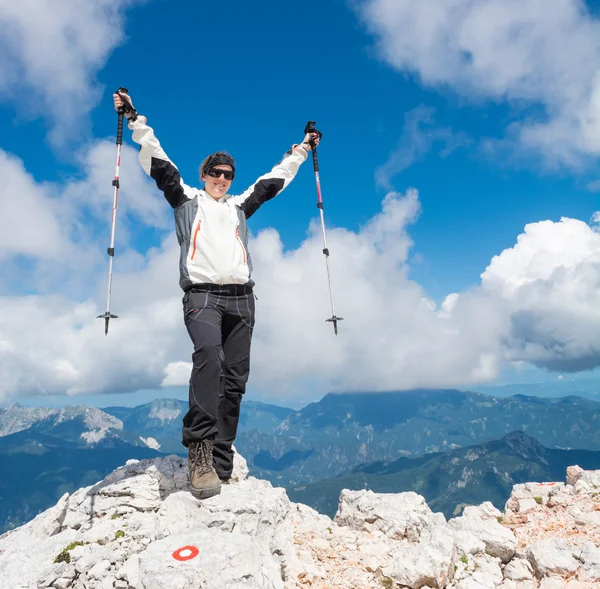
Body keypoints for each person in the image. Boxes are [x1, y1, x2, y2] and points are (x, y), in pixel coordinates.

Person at [113, 91, 319, 499]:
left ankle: (222, 457)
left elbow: (275, 180)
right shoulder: (187, 199)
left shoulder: (241, 205)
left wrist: (303, 149)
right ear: (204, 174)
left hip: (243, 298)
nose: (222, 179)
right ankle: (201, 452)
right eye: (215, 173)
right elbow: (158, 161)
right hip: (203, 296)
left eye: (227, 174)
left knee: (235, 378)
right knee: (209, 357)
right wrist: (134, 118)